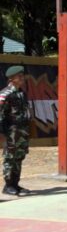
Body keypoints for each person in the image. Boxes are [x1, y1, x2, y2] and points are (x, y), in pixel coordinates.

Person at [1, 66, 31, 196]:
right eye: (19, 76)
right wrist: (2, 133)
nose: (22, 78)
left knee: (19, 156)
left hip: (22, 130)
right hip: (11, 131)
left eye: (22, 76)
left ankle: (15, 183)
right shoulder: (6, 94)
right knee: (10, 157)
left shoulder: (21, 93)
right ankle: (8, 185)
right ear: (11, 79)